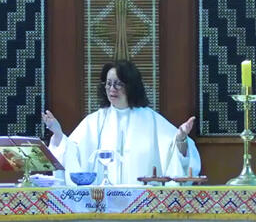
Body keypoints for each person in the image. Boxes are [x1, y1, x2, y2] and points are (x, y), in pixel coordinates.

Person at [42, 60, 201, 185]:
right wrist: (58, 134)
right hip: (102, 205)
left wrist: (180, 139)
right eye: (109, 83)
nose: (112, 89)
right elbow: (71, 152)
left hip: (143, 206)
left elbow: (177, 154)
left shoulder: (151, 120)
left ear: (131, 86)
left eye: (118, 84)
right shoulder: (94, 121)